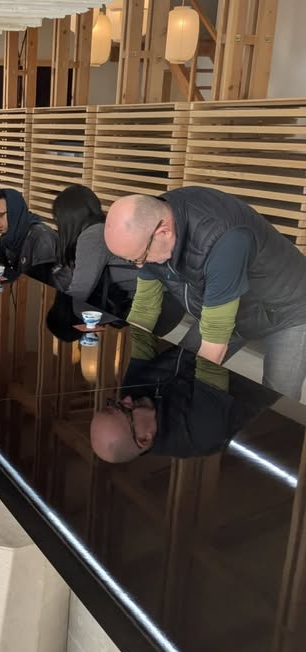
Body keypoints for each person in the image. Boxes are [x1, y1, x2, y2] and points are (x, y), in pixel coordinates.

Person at [104, 187, 306, 400]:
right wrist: (130, 381)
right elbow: (144, 310)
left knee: (277, 399)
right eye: (132, 260)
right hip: (232, 306)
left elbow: (214, 341)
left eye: (140, 258)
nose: (139, 266)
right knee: (179, 367)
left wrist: (199, 401)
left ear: (163, 232)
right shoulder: (148, 233)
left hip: (290, 310)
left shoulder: (223, 239)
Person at [90, 326, 279, 463]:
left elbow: (142, 339)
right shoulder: (198, 434)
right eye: (124, 409)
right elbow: (212, 357)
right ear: (144, 439)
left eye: (114, 403)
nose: (126, 398)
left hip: (215, 343)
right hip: (258, 359)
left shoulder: (131, 400)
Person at [52, 184, 182, 334]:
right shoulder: (104, 229)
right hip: (164, 300)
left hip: (155, 304)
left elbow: (79, 291)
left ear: (66, 220)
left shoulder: (92, 237)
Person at [0, 188, 71, 288]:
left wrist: (6, 274)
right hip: (26, 288)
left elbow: (39, 284)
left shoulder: (41, 237)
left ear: (14, 212)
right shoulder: (8, 236)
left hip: (56, 293)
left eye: (0, 215)